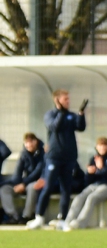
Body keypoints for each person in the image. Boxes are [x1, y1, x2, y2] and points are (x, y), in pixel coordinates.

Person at [26, 89, 86, 230]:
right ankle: (39, 218)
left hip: (69, 158)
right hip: (54, 158)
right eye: (65, 99)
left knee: (66, 189)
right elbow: (54, 127)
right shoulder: (50, 115)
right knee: (48, 187)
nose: (68, 102)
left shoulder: (70, 116)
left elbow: (80, 127)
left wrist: (81, 114)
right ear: (57, 100)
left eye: (68, 99)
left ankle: (62, 220)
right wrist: (61, 112)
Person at [60, 137, 107, 231]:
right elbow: (88, 181)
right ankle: (67, 222)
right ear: (96, 147)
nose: (102, 148)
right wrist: (89, 173)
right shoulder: (94, 158)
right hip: (94, 185)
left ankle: (79, 223)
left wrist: (102, 169)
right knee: (79, 197)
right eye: (100, 146)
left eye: (104, 146)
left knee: (91, 198)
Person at [0, 133, 45, 224]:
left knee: (32, 187)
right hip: (25, 181)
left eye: (30, 142)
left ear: (35, 142)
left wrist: (23, 184)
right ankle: (13, 216)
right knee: (5, 189)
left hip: (38, 181)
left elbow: (37, 173)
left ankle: (27, 216)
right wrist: (16, 184)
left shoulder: (43, 154)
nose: (29, 145)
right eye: (26, 143)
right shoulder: (24, 154)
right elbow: (17, 172)